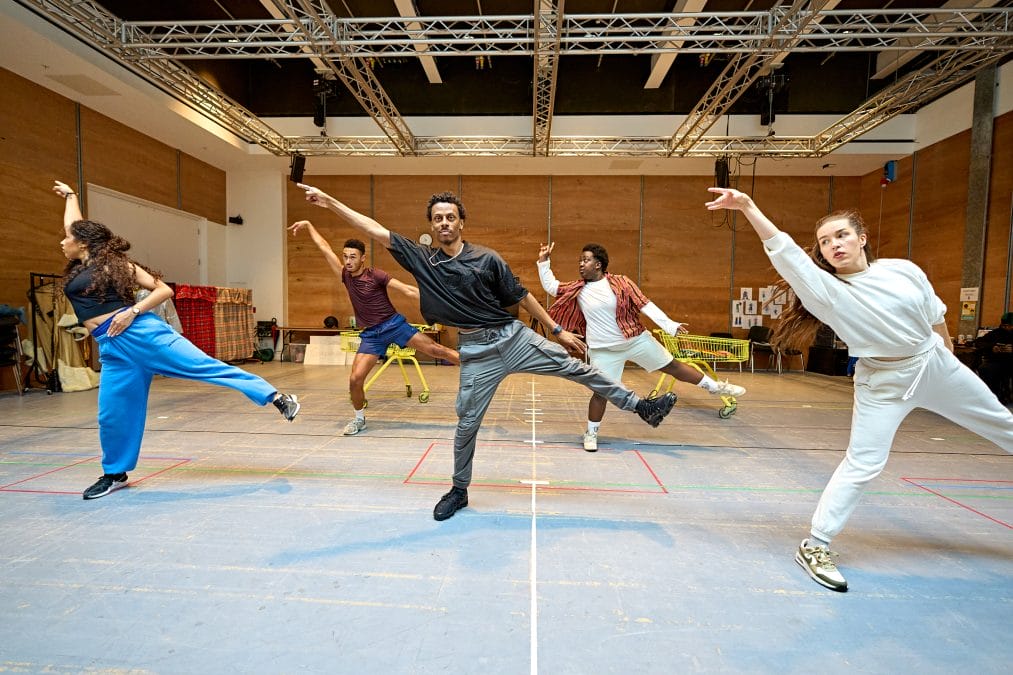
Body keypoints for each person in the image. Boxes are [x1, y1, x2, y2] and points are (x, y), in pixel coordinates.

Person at [297, 183, 677, 521]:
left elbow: (522, 296)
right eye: (437, 218)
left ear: (461, 222)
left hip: (513, 338)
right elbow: (374, 229)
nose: (444, 223)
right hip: (476, 352)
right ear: (431, 226)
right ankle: (459, 489)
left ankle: (641, 407)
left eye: (450, 217)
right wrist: (330, 202)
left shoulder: (487, 259)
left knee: (578, 369)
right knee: (466, 423)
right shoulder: (422, 259)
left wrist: (558, 330)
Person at [705, 187, 1013, 592]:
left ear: (861, 238)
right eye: (825, 241)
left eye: (842, 235)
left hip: (934, 364)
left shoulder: (903, 270)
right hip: (882, 382)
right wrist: (747, 206)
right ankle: (816, 545)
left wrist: (947, 356)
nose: (834, 244)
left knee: (1003, 425)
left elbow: (935, 313)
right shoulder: (826, 291)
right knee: (864, 463)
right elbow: (785, 252)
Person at [52, 180, 301, 500]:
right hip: (112, 346)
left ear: (83, 243)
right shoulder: (81, 265)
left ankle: (277, 397)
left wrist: (132, 312)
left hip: (142, 334)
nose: (63, 241)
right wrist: (71, 195)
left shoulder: (116, 264)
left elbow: (163, 290)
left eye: (68, 238)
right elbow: (73, 225)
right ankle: (115, 474)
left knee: (204, 367)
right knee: (113, 413)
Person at [537, 242, 746, 451]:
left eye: (586, 260)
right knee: (601, 392)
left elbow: (644, 304)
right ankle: (591, 433)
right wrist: (544, 260)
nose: (581, 264)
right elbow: (551, 286)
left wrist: (669, 325)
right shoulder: (577, 289)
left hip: (635, 340)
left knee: (673, 366)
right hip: (603, 350)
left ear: (598, 264)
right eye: (580, 261)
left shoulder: (621, 282)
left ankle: (715, 387)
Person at [288, 220, 460, 435]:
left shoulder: (376, 275)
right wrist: (308, 225)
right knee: (355, 379)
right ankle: (359, 419)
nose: (348, 261)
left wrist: (444, 301)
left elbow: (407, 290)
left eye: (353, 257)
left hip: (393, 324)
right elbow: (324, 248)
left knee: (436, 350)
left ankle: (478, 366)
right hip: (371, 335)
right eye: (345, 256)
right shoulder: (345, 276)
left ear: (362, 258)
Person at [974, 312, 1013, 404]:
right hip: (997, 362)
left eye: (1010, 326)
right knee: (984, 369)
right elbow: (978, 342)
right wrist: (992, 347)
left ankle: (1006, 395)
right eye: (1004, 326)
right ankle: (992, 396)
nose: (1007, 328)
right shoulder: (995, 333)